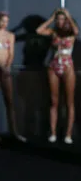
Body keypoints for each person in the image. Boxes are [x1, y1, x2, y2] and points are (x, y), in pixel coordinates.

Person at [36, 8, 78, 144]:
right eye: (58, 19)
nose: (60, 22)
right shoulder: (53, 33)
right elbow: (39, 31)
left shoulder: (71, 33)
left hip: (67, 65)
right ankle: (53, 133)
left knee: (69, 102)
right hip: (54, 65)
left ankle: (68, 134)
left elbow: (76, 31)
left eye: (62, 19)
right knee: (54, 101)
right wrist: (52, 17)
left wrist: (68, 16)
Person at [0, 11, 25, 142]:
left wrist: (7, 65)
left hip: (6, 69)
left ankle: (14, 131)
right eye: (2, 21)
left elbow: (11, 52)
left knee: (10, 101)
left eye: (7, 21)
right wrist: (0, 66)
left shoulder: (10, 35)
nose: (4, 23)